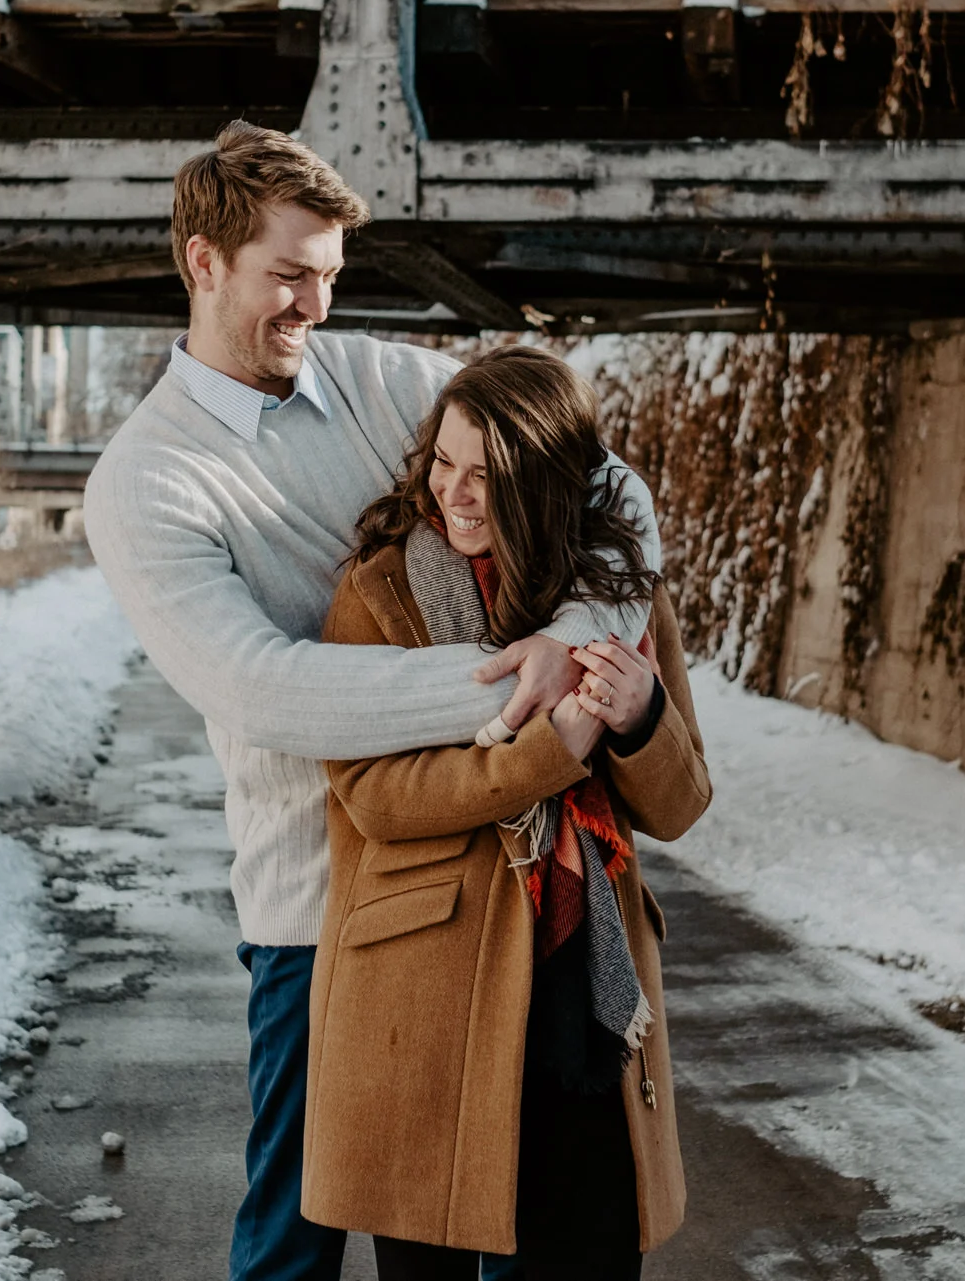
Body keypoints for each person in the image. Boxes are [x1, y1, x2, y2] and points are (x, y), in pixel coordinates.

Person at [83, 122, 662, 1281]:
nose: (314, 304)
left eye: (332, 276)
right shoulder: (144, 481)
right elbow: (265, 687)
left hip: (495, 875)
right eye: (287, 275)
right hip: (315, 896)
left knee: (505, 1217)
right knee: (295, 1236)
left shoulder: (384, 379)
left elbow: (606, 482)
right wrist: (511, 690)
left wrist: (573, 636)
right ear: (204, 263)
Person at [302, 345, 710, 1281]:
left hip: (582, 990)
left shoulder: (618, 599)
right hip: (423, 994)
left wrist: (640, 715)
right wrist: (546, 753)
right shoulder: (381, 590)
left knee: (592, 1256)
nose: (457, 491)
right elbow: (375, 796)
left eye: (489, 474)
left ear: (550, 480)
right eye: (444, 461)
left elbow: (682, 804)